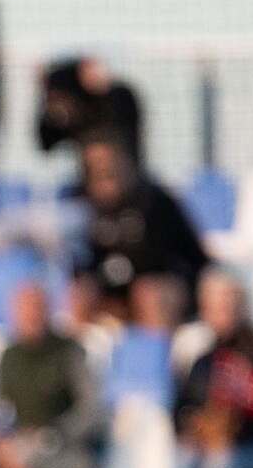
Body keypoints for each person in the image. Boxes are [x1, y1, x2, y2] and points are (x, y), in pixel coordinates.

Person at [0, 281, 101, 468]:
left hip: (65, 449)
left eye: (37, 308)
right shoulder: (10, 356)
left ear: (48, 311)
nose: (31, 315)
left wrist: (56, 434)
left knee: (21, 461)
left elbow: (92, 411)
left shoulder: (69, 352)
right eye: (25, 309)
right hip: (22, 442)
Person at [77, 132, 209, 330]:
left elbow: (187, 260)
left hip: (164, 290)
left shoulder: (156, 203)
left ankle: (155, 358)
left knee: (148, 292)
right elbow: (87, 264)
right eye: (95, 172)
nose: (102, 179)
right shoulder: (87, 208)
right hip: (115, 293)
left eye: (109, 171)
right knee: (80, 294)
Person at [174, 270, 253, 468]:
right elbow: (181, 408)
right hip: (207, 450)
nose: (221, 313)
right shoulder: (203, 359)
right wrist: (193, 432)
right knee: (181, 465)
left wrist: (232, 435)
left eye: (227, 305)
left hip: (251, 450)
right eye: (214, 307)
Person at [38, 56, 144, 184]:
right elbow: (46, 143)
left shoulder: (115, 101)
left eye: (61, 98)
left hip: (128, 184)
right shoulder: (70, 119)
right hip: (90, 190)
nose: (59, 107)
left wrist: (98, 90)